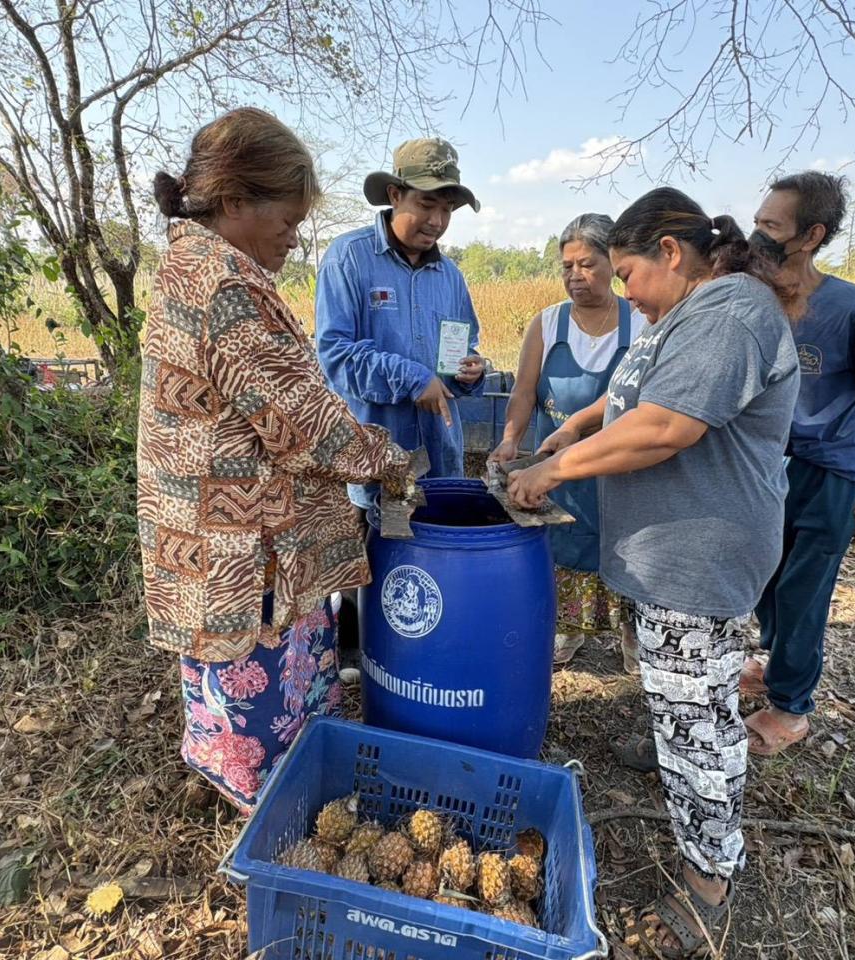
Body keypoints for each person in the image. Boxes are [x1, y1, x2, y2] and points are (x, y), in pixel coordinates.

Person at [507, 188, 801, 952]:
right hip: (669, 553)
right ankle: (672, 747)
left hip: (701, 553)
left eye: (628, 271)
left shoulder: (732, 313)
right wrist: (575, 422)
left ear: (671, 252)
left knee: (699, 724)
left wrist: (559, 469)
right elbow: (632, 397)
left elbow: (667, 425)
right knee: (682, 699)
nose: (625, 290)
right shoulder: (682, 316)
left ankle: (710, 881)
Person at [138, 108, 411, 813]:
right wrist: (387, 459)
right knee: (261, 693)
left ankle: (237, 783)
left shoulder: (190, 263)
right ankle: (274, 814)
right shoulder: (227, 285)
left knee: (226, 685)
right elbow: (307, 429)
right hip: (243, 547)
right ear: (233, 202)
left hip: (204, 534)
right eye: (286, 220)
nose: (295, 237)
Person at [743, 172, 855, 756]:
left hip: (830, 470)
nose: (757, 235)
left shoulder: (854, 309)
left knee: (806, 589)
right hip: (766, 465)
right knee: (764, 575)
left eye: (771, 227)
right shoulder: (755, 299)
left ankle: (790, 707)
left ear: (810, 235)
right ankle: (774, 661)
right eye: (757, 221)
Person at [315, 138, 485, 676]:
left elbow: (458, 356)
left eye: (446, 210)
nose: (436, 220)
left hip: (435, 448)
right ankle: (363, 658)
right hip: (373, 447)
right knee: (370, 557)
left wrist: (469, 373)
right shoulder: (350, 258)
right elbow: (336, 356)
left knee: (424, 556)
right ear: (394, 195)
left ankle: (417, 655)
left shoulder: (450, 278)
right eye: (426, 204)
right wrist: (414, 378)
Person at [489, 213, 643, 673]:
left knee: (622, 545)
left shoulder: (640, 320)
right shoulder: (548, 323)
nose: (575, 276)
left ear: (613, 263)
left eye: (588, 264)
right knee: (564, 543)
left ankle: (633, 637)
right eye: (566, 265)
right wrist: (511, 439)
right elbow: (524, 391)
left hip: (618, 466)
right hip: (555, 460)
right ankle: (568, 631)